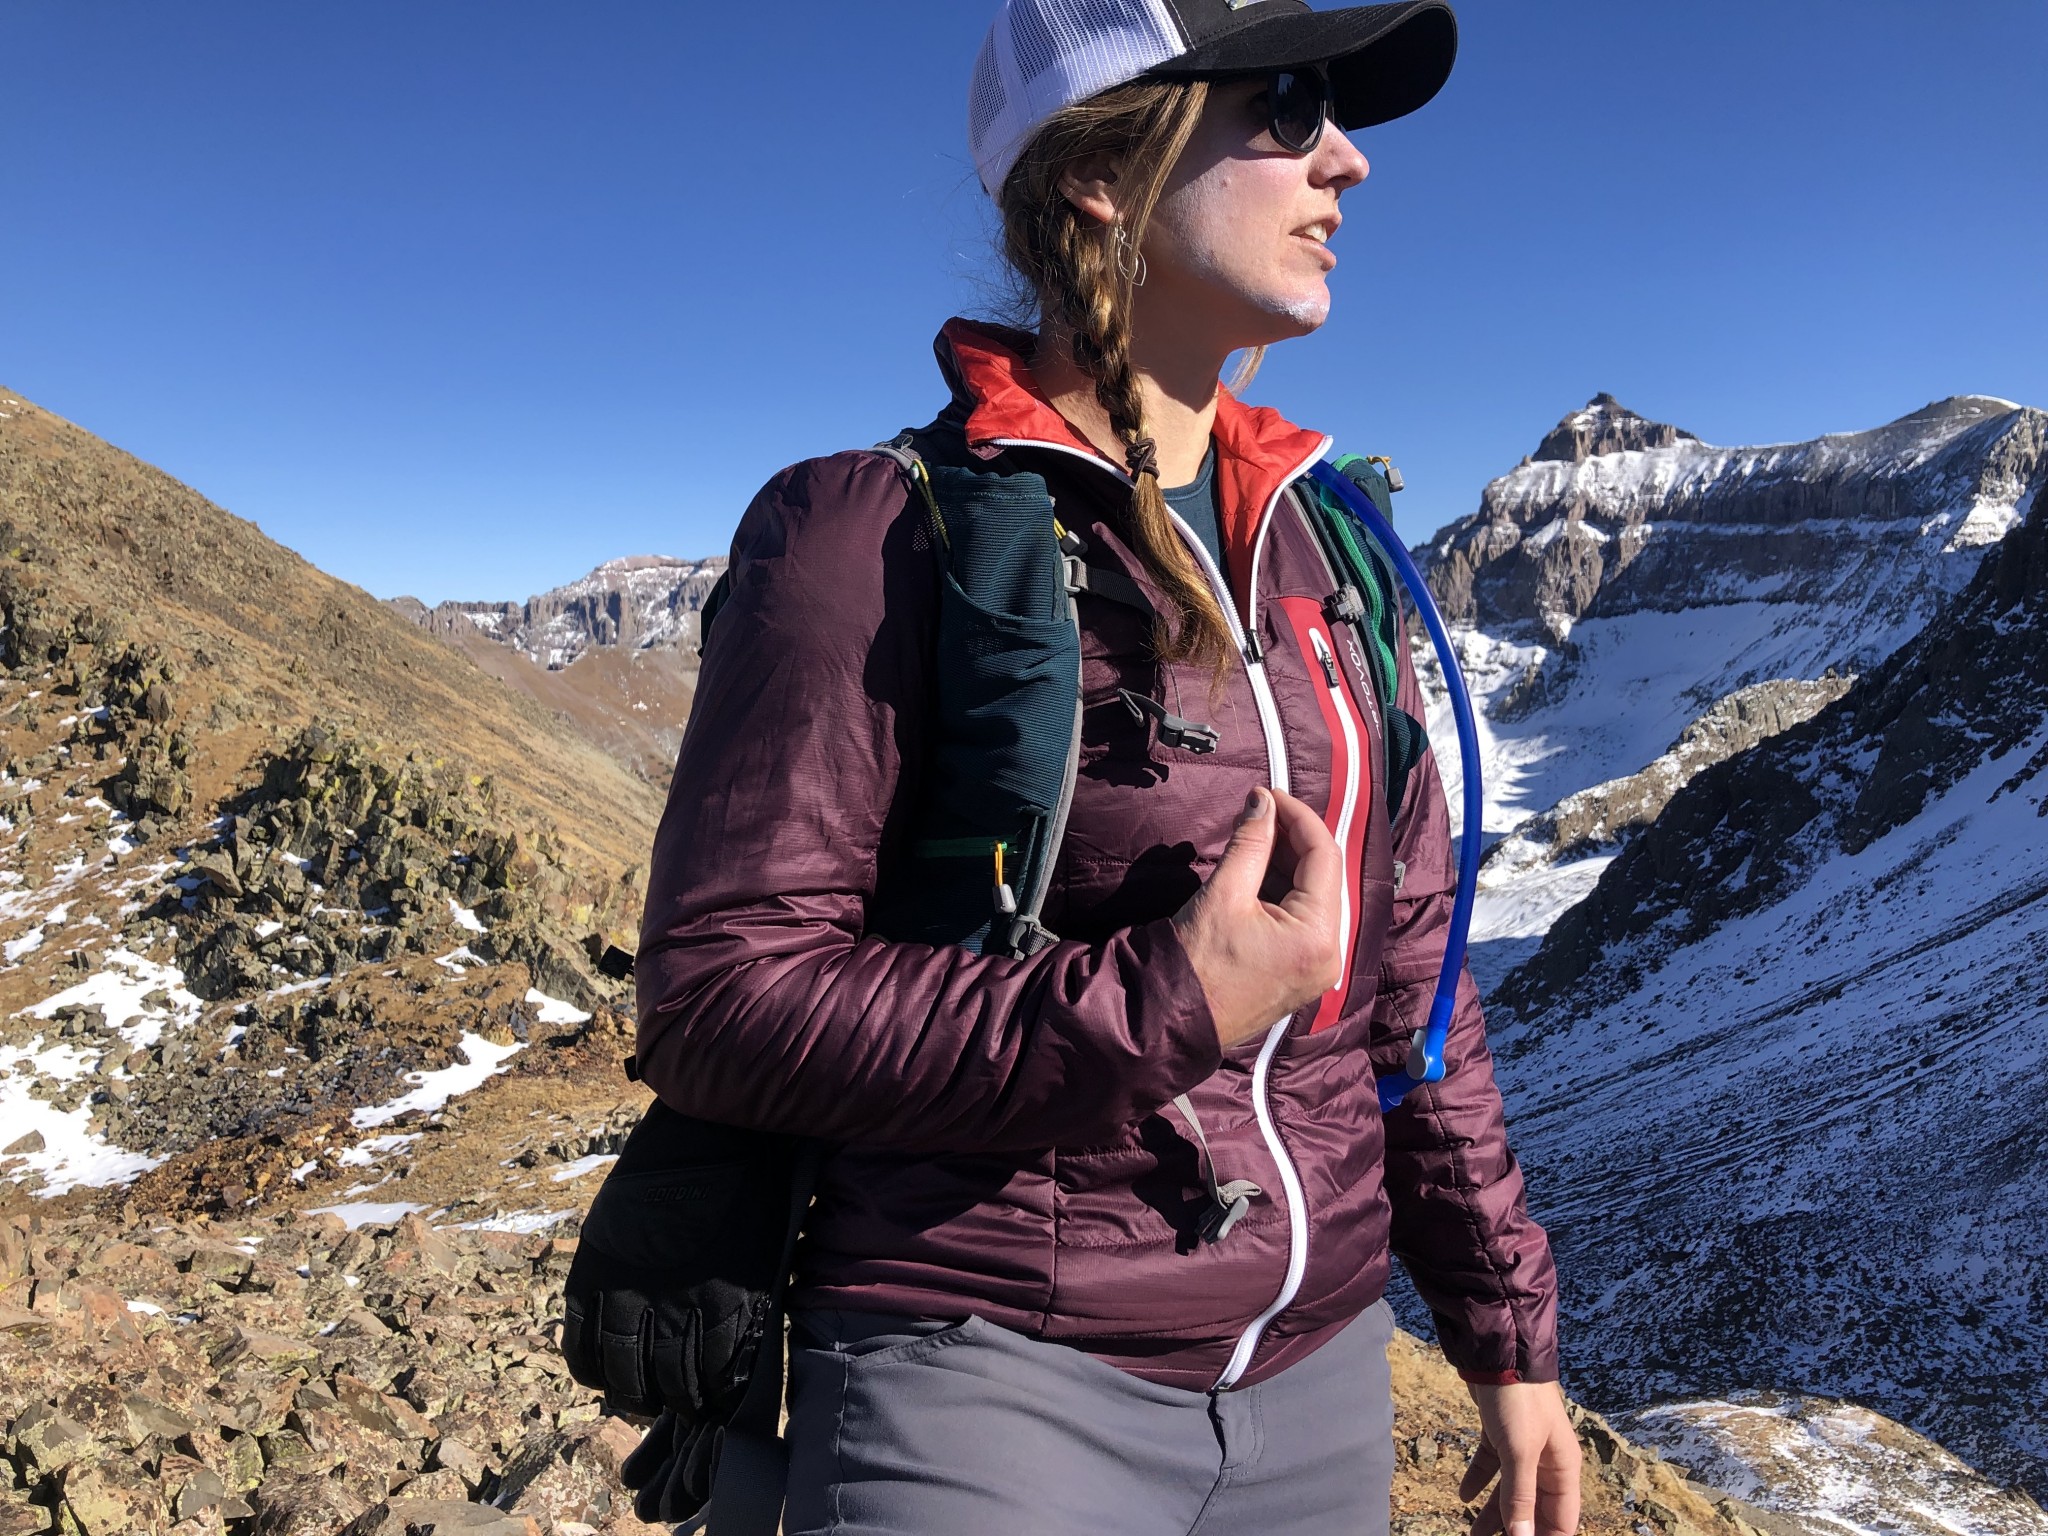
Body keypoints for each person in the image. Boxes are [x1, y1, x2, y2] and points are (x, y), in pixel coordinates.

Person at [634, 1, 1577, 1532]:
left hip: (1323, 1383)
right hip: (985, 1373)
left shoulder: (1334, 550)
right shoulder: (869, 533)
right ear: (1100, 173)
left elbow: (1414, 976)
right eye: (1285, 105)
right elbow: (719, 1001)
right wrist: (1165, 1000)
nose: (1346, 160)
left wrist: (1507, 1330)